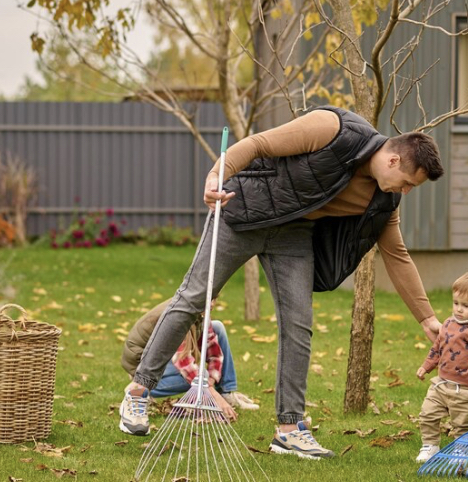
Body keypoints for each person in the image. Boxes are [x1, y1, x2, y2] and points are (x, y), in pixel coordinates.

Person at [128, 106, 445, 459]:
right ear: (393, 160)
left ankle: (289, 430)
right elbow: (257, 143)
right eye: (408, 182)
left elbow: (397, 255)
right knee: (194, 298)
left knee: (298, 325)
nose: (407, 191)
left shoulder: (385, 200)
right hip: (244, 215)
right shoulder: (334, 128)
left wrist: (427, 318)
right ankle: (138, 393)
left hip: (294, 234)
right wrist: (217, 175)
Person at [119, 298, 259, 436]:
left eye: (214, 299)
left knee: (217, 327)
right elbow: (183, 362)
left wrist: (211, 380)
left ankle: (226, 393)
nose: (212, 304)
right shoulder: (178, 316)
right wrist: (211, 392)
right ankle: (138, 389)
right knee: (200, 376)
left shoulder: (197, 309)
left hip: (165, 357)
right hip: (142, 363)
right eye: (209, 299)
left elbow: (214, 352)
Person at [415, 271, 468, 463]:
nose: (459, 309)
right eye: (456, 303)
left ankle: (462, 450)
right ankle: (430, 446)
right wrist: (426, 366)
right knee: (427, 415)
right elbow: (438, 347)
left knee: (463, 424)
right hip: (440, 384)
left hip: (465, 389)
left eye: (466, 305)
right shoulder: (448, 323)